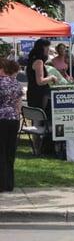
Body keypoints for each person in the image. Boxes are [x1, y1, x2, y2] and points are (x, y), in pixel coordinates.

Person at [0, 58, 23, 192]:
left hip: (1, 118)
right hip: (14, 119)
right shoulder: (16, 83)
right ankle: (9, 183)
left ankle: (1, 183)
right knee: (10, 152)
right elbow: (18, 105)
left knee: (1, 151)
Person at [26, 39, 57, 116]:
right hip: (39, 95)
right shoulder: (39, 62)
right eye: (47, 48)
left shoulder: (32, 59)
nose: (48, 50)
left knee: (36, 119)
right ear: (42, 48)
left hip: (32, 91)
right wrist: (51, 77)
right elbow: (40, 81)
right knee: (40, 119)